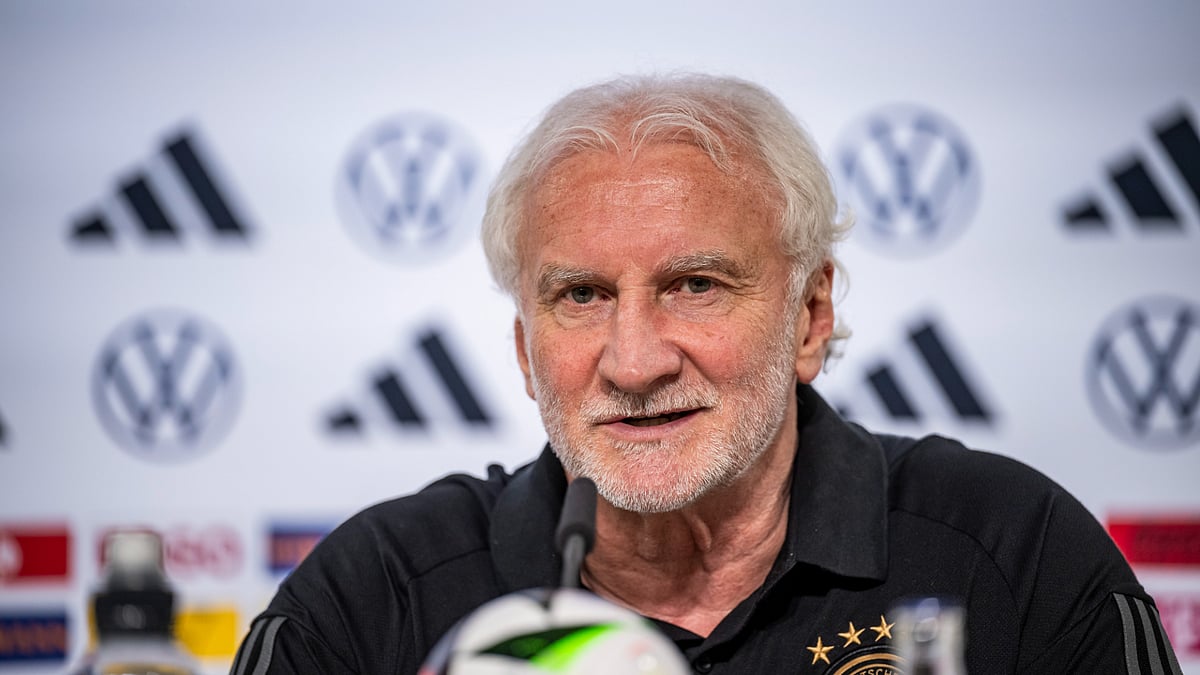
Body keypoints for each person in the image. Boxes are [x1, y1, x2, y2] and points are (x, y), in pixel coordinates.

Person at [231, 73, 1181, 674]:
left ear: (811, 317)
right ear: (524, 352)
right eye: (581, 296)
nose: (636, 361)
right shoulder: (375, 599)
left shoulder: (1014, 555)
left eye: (695, 284)